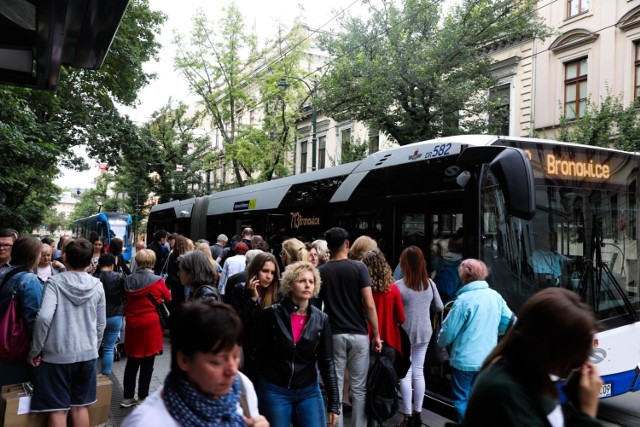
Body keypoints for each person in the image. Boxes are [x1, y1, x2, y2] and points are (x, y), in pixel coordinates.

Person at [464, 287, 603, 427]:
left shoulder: (530, 376)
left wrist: (576, 405)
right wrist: (587, 412)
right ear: (551, 348)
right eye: (575, 354)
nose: (580, 364)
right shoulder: (505, 393)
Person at [121, 300, 269, 427]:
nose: (232, 369)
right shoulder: (146, 422)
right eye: (217, 362)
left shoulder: (241, 386)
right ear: (184, 360)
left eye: (236, 356)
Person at [28, 238, 106, 427]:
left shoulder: (54, 283)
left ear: (65, 257)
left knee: (58, 409)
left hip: (57, 356)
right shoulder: (97, 285)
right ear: (89, 261)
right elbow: (100, 324)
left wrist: (35, 349)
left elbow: (44, 318)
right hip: (87, 355)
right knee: (80, 407)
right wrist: (92, 348)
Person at [255, 261, 339, 427]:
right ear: (290, 284)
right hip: (275, 389)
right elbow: (257, 355)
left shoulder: (321, 319)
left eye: (311, 281)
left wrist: (334, 403)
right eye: (301, 281)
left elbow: (327, 362)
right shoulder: (272, 314)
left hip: (308, 389)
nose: (307, 284)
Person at [318, 227, 382, 427]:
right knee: (359, 388)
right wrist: (377, 335)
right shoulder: (359, 268)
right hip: (359, 334)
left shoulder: (322, 271)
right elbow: (369, 304)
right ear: (347, 244)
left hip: (334, 335)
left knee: (335, 385)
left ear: (328, 247)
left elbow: (317, 307)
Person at [437, 258, 514, 423]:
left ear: (463, 276)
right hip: (488, 360)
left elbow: (448, 332)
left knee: (461, 399)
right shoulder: (495, 296)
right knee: (481, 399)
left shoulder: (463, 301)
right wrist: (494, 330)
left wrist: (440, 343)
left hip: (464, 361)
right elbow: (510, 322)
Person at [394, 246, 443, 427]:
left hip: (404, 334)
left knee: (405, 373)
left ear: (404, 263)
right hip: (425, 332)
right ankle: (418, 413)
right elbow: (438, 307)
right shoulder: (430, 283)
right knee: (418, 371)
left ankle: (406, 415)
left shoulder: (398, 286)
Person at [121, 249, 172, 407]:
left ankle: (127, 397)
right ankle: (143, 397)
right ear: (152, 262)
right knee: (147, 363)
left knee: (131, 361)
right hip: (151, 324)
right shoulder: (158, 281)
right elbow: (168, 298)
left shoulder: (128, 280)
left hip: (132, 323)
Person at [0, 237, 44, 387]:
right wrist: (38, 348)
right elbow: (34, 318)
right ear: (33, 256)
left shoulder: (5, 272)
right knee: (16, 391)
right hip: (17, 345)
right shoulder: (29, 280)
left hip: (3, 338)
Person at [235, 252, 280, 382]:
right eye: (265, 271)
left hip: (269, 354)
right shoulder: (241, 290)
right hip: (247, 350)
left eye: (272, 272)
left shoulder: (278, 294)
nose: (269, 276)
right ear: (255, 271)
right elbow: (238, 322)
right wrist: (253, 299)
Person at [361, 250, 405, 355]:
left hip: (367, 339)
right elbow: (401, 318)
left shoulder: (363, 290)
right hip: (389, 339)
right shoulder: (393, 289)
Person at [96, 253, 125, 376]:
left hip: (97, 317)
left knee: (94, 349)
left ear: (99, 264)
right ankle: (105, 376)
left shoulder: (94, 278)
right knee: (109, 348)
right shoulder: (119, 277)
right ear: (113, 265)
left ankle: (92, 377)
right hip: (115, 316)